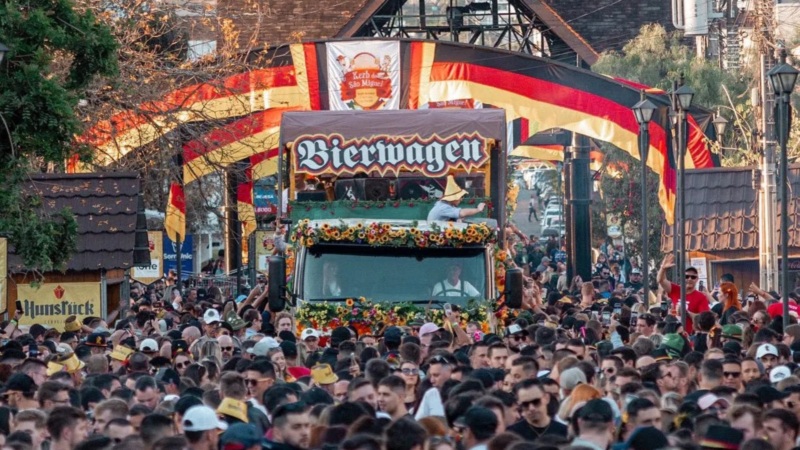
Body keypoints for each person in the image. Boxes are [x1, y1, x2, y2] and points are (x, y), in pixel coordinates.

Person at [657, 253, 710, 333]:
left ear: (697, 279)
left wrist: (686, 312)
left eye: (693, 277)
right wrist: (663, 268)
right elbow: (660, 280)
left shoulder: (701, 297)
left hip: (689, 335)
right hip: (673, 334)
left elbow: (704, 320)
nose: (689, 279)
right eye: (686, 276)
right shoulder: (675, 289)